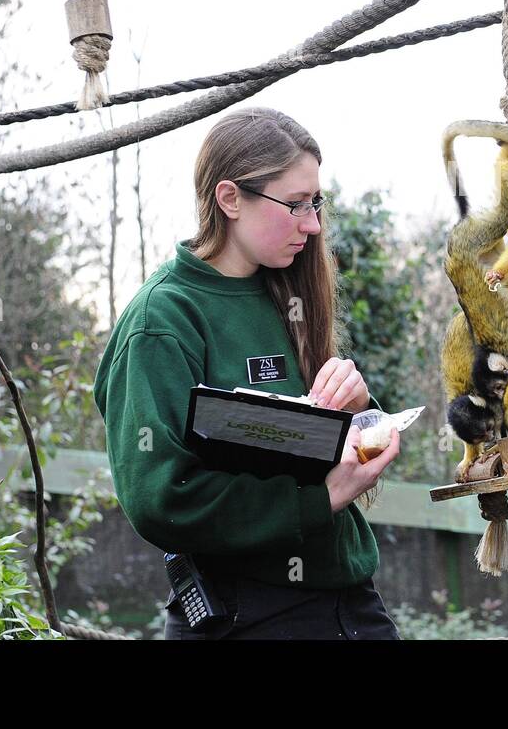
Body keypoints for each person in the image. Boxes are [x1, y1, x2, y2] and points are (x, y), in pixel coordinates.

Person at [93, 107, 402, 640]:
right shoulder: (162, 321)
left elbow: (319, 446)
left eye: (316, 202)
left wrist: (360, 415)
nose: (314, 224)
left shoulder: (288, 291)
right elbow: (159, 499)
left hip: (350, 597)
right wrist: (317, 500)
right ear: (230, 198)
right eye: (296, 205)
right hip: (248, 611)